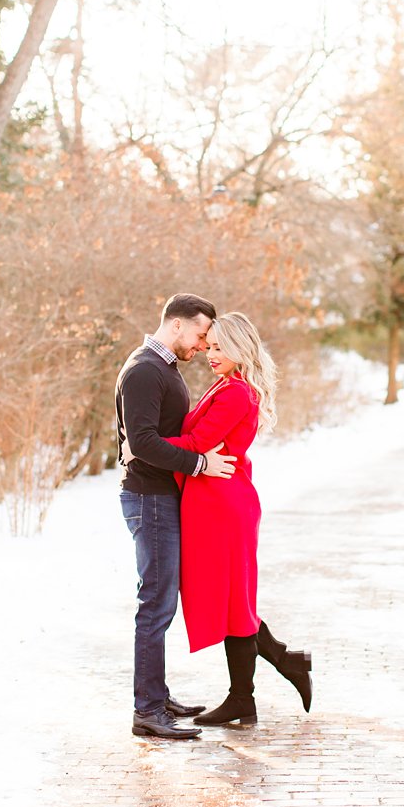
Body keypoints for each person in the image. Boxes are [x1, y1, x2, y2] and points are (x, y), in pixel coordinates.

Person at [157, 311, 313, 725]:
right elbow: (195, 446)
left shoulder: (236, 393)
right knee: (231, 602)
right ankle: (279, 667)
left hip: (224, 506)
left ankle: (246, 695)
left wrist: (145, 443)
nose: (211, 352)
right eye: (211, 344)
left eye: (222, 347)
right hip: (214, 502)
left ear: (242, 349)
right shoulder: (226, 385)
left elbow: (197, 442)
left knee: (233, 603)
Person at [116, 292, 237, 741]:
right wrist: (201, 464)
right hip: (149, 498)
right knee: (156, 604)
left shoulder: (160, 368)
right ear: (179, 325)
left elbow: (150, 437)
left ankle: (156, 695)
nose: (205, 345)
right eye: (203, 334)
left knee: (162, 603)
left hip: (159, 495)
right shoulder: (145, 369)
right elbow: (144, 441)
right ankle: (146, 711)